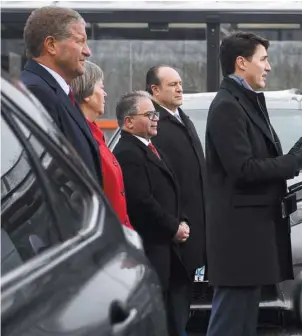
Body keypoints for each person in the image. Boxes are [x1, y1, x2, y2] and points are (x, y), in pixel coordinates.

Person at [205, 31, 302, 336]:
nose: (268, 67)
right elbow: (242, 169)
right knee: (231, 322)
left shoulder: (244, 102)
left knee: (243, 322)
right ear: (241, 63)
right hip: (240, 238)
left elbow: (251, 162)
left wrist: (290, 157)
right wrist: (293, 163)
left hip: (251, 235)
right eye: (263, 59)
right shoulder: (227, 106)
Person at [113, 91, 190, 336]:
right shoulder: (128, 153)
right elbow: (141, 201)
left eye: (155, 113)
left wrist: (182, 219)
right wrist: (173, 227)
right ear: (129, 122)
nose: (155, 118)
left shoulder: (149, 146)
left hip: (165, 247)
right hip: (152, 248)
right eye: (149, 114)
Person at [145, 64, 207, 333]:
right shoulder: (154, 126)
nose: (180, 88)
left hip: (193, 228)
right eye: (172, 85)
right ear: (155, 90)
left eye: (180, 83)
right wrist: (174, 224)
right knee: (173, 304)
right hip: (174, 231)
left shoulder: (181, 117)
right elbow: (159, 184)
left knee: (183, 302)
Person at [20, 6, 102, 183]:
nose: (88, 51)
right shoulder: (37, 92)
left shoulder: (54, 90)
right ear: (51, 45)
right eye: (80, 41)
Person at [70, 60, 132, 230]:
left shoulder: (95, 133)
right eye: (101, 87)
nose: (105, 94)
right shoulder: (80, 138)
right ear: (88, 94)